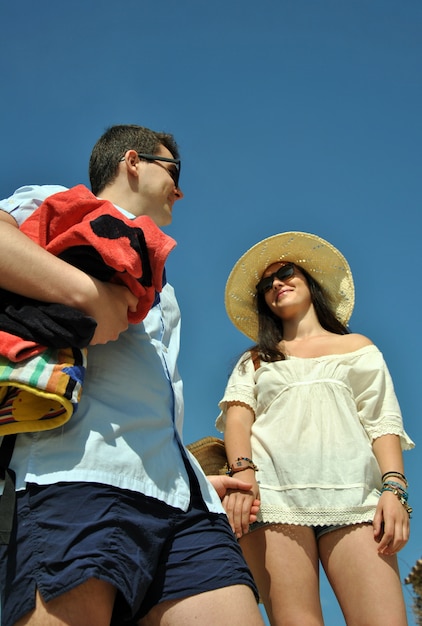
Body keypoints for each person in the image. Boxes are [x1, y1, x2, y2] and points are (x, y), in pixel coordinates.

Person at [0, 124, 264, 626]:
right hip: (76, 477)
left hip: (184, 504)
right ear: (132, 162)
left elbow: (143, 394)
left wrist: (185, 468)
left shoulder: (160, 275)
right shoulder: (57, 200)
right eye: (174, 171)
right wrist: (84, 294)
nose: (181, 190)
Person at [216, 231, 414, 626]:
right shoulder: (255, 360)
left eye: (286, 272)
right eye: (265, 284)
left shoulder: (359, 347)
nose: (276, 283)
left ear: (310, 281)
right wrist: (244, 473)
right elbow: (238, 418)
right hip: (272, 503)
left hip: (356, 500)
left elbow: (382, 421)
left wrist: (394, 490)